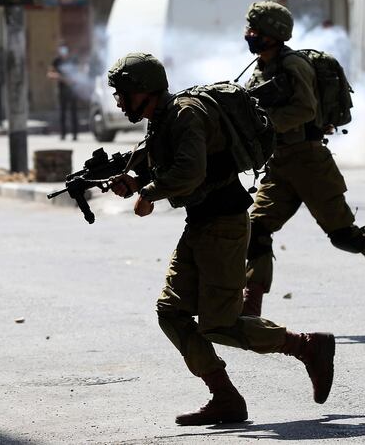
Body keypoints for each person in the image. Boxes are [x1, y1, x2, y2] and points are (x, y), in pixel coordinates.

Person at [106, 53, 335, 425]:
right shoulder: (164, 119)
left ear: (144, 91)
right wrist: (133, 178)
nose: (118, 102)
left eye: (123, 94)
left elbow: (189, 171)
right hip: (202, 224)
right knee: (172, 312)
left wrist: (147, 193)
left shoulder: (186, 114)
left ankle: (308, 347)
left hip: (223, 226)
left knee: (221, 324)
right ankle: (225, 397)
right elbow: (168, 161)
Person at [240, 1, 365, 319]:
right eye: (249, 29)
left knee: (343, 235)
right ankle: (251, 305)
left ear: (273, 34)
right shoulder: (257, 70)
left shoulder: (293, 66)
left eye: (255, 31)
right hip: (280, 164)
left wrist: (266, 122)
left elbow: (305, 110)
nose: (249, 35)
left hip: (309, 162)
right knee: (255, 230)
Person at [47, 41, 79, 140]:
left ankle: (74, 135)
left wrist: (73, 79)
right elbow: (49, 74)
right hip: (62, 90)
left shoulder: (73, 60)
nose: (63, 51)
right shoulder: (57, 61)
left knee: (74, 113)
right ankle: (63, 134)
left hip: (72, 89)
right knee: (62, 113)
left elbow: (80, 72)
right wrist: (61, 78)